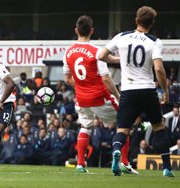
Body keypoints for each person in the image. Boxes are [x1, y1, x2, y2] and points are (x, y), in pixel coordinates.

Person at [98, 6, 174, 177]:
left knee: (122, 130)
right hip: (147, 90)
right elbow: (159, 69)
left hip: (128, 90)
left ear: (136, 20)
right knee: (158, 127)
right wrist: (165, 91)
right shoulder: (154, 41)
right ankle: (167, 169)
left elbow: (101, 55)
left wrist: (119, 59)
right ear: (152, 23)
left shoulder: (121, 37)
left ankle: (117, 151)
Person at [62, 15, 134, 173]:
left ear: (76, 30)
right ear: (92, 31)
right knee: (124, 124)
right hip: (100, 97)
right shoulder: (96, 51)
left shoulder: (68, 52)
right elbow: (106, 78)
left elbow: (67, 79)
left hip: (81, 99)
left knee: (85, 127)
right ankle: (125, 163)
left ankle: (80, 164)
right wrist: (118, 95)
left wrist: (82, 86)